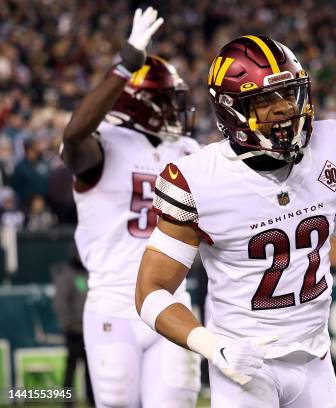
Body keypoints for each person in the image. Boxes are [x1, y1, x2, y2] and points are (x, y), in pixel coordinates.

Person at [135, 35, 336, 407]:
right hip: (243, 370)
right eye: (264, 100)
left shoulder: (335, 146)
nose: (282, 109)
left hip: (317, 361)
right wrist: (214, 346)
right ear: (231, 110)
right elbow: (150, 291)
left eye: (288, 94)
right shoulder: (199, 179)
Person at [62, 8, 201, 408]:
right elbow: (73, 135)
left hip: (172, 300)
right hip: (113, 302)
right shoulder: (101, 145)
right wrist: (124, 67)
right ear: (140, 104)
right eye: (166, 101)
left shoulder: (187, 150)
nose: (176, 111)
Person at [51, 250, 94, 407]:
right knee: (71, 367)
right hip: (74, 331)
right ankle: (67, 401)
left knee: (90, 369)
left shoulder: (89, 273)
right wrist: (69, 324)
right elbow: (60, 303)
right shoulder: (68, 275)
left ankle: (92, 399)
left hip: (88, 330)